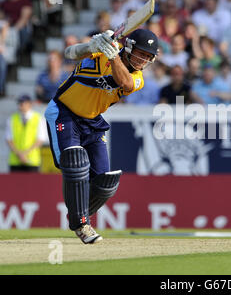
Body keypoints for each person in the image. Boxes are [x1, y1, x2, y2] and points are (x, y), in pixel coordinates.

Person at [44, 28, 159, 244]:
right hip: (64, 112)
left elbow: (123, 82)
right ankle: (81, 224)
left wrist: (113, 54)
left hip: (92, 120)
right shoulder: (99, 55)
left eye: (148, 56)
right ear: (130, 48)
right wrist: (90, 46)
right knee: (75, 162)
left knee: (106, 183)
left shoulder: (137, 79)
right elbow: (69, 52)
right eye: (141, 53)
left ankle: (77, 215)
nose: (144, 60)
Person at [6, 94, 48, 172]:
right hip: (15, 160)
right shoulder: (12, 119)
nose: (21, 105)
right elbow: (9, 139)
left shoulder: (38, 118)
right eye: (20, 103)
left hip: (32, 161)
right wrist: (20, 154)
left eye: (23, 103)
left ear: (29, 104)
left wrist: (25, 154)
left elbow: (40, 139)